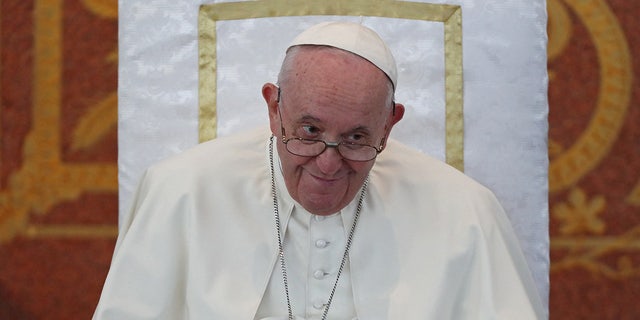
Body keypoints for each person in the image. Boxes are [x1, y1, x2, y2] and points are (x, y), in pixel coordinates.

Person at [93, 21, 545, 319]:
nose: (328, 163)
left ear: (389, 125)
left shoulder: (464, 212)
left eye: (355, 139)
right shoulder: (182, 192)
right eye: (308, 132)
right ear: (274, 109)